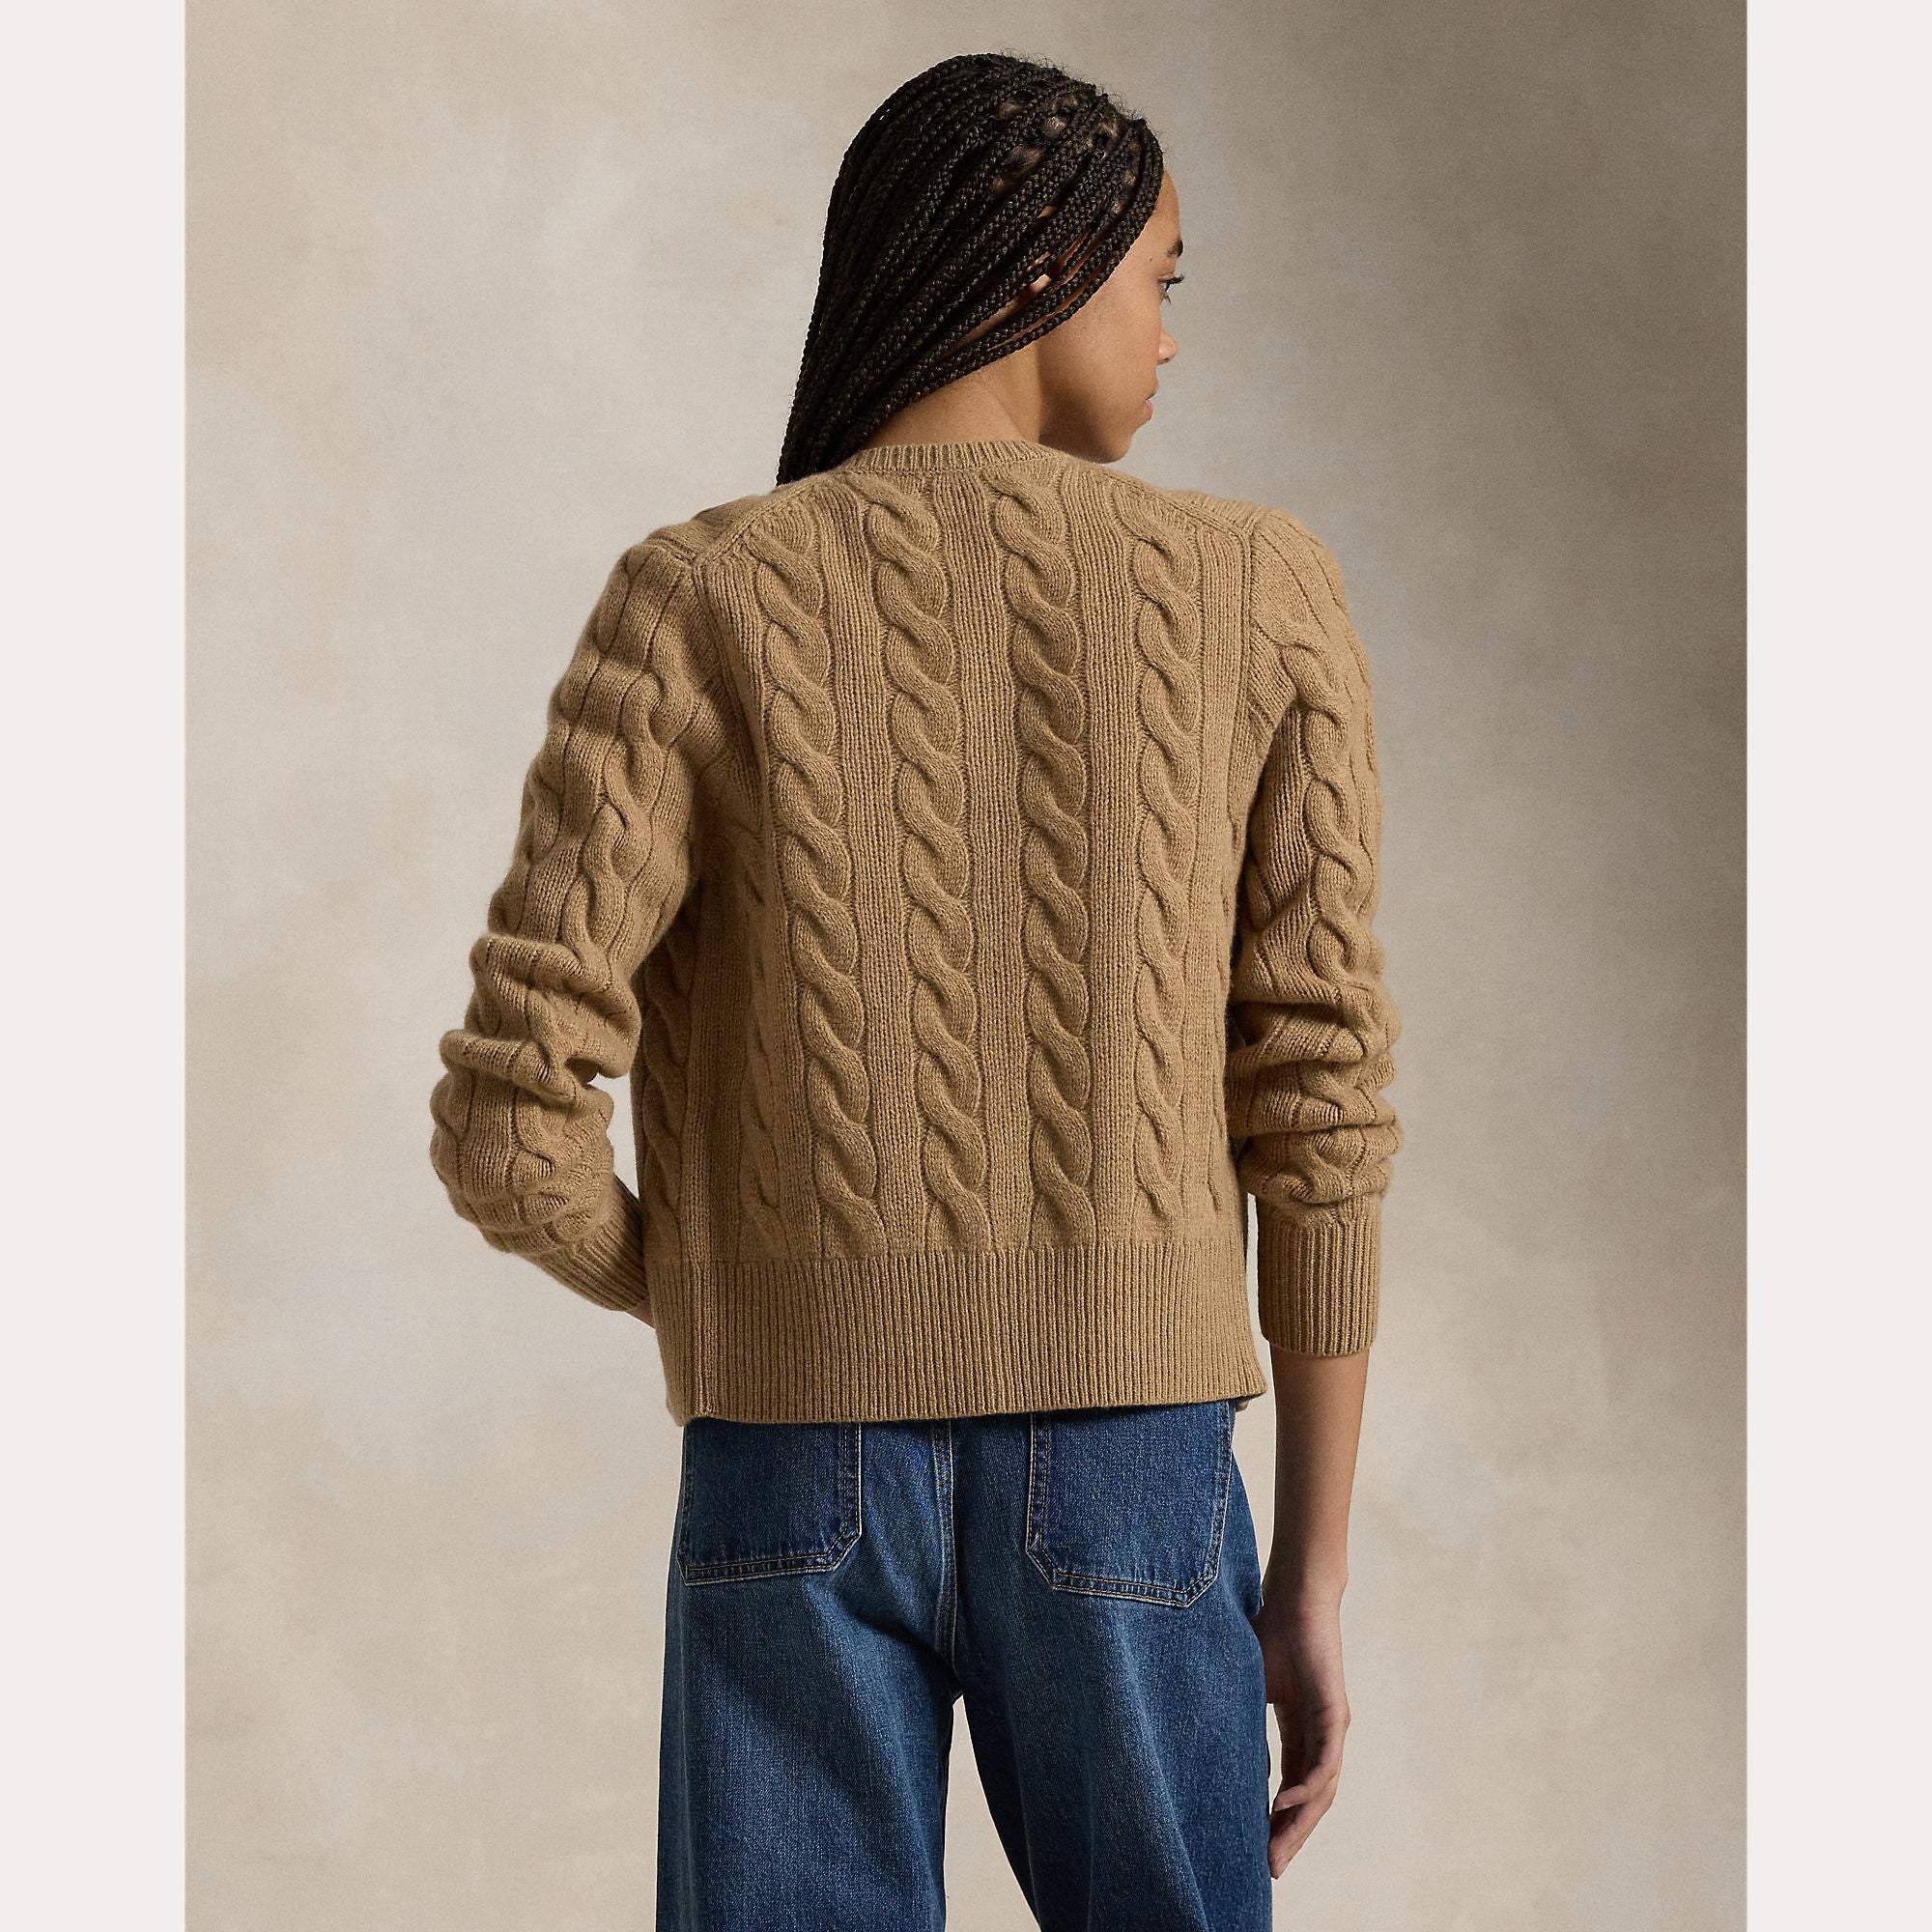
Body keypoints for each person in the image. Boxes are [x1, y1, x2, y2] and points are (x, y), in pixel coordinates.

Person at [428, 49, 1402, 1932]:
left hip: (788, 1476)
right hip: (1134, 1471)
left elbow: (505, 1121)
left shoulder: (697, 595)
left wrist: (734, 1284)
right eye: (1159, 279)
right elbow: (1323, 1103)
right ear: (1046, 261)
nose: (1170, 335)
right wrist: (1312, 1575)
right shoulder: (1260, 588)